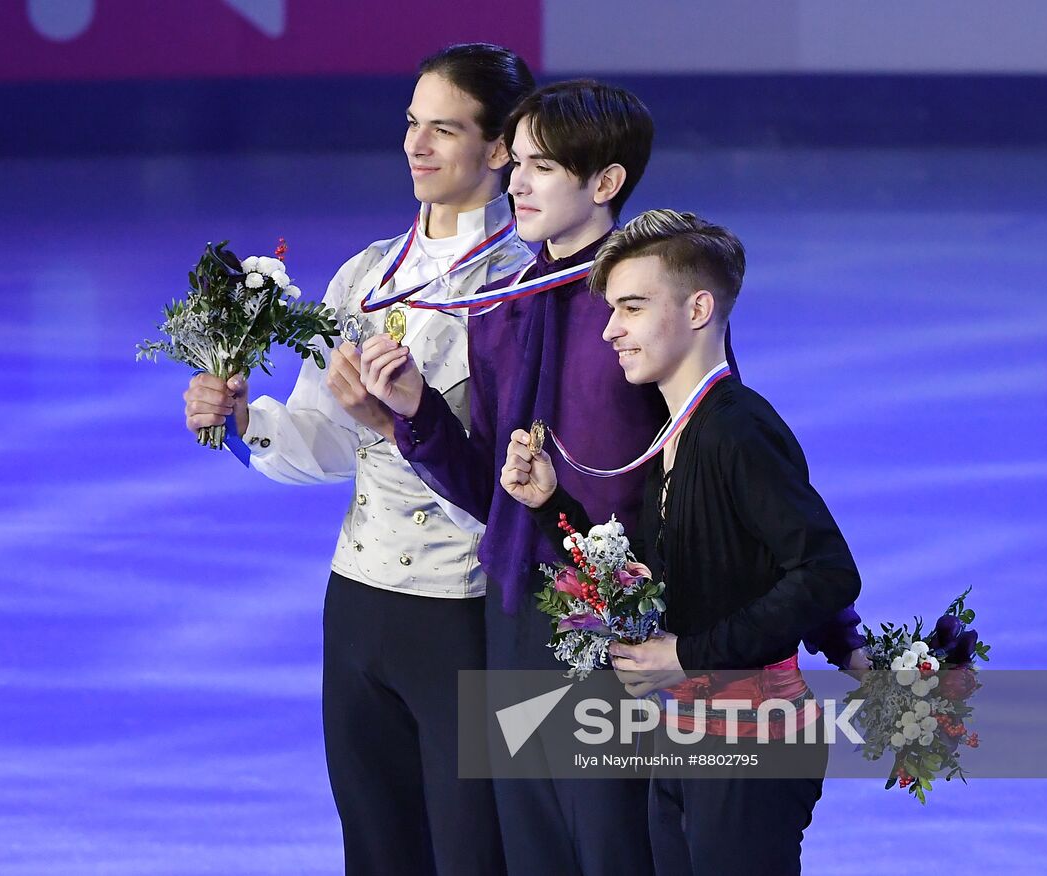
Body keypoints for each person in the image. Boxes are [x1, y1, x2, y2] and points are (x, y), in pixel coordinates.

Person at [359, 83, 863, 876]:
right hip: (517, 613)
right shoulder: (495, 305)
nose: (516, 183)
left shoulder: (647, 309)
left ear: (605, 183)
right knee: (534, 852)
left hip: (622, 629)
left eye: (543, 167)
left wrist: (843, 634)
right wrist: (417, 414)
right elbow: (491, 491)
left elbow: (727, 480)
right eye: (514, 162)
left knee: (614, 851)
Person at [181, 43, 535, 876]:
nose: (417, 145)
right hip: (360, 603)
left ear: (498, 150)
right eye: (413, 123)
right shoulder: (367, 277)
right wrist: (241, 424)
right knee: (376, 851)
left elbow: (516, 492)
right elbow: (329, 441)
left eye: (444, 130)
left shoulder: (526, 290)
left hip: (467, 611)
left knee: (473, 854)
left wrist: (409, 419)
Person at [500, 209, 862, 875]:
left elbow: (827, 573)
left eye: (632, 307)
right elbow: (647, 580)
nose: (611, 329)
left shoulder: (737, 431)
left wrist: (689, 653)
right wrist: (554, 503)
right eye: (612, 310)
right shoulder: (677, 434)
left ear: (699, 308)